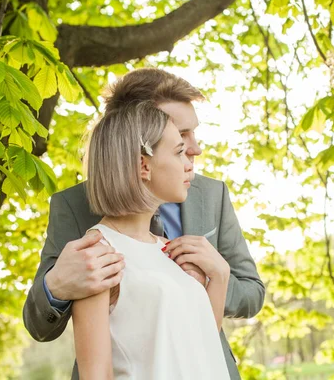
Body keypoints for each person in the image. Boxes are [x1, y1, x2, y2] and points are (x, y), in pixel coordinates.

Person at [22, 68, 265, 380]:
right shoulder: (87, 228)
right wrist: (56, 285)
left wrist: (214, 276)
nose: (195, 148)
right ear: (138, 143)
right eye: (180, 135)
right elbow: (46, 329)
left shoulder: (211, 194)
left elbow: (219, 317)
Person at [73, 101, 230, 379]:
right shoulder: (98, 252)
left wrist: (220, 275)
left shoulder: (165, 249)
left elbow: (199, 345)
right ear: (144, 165)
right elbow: (97, 375)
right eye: (179, 152)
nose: (188, 164)